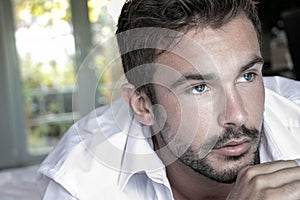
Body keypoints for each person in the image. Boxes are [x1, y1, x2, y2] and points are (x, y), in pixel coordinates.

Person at [37, 0, 300, 199]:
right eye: (199, 88)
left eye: (247, 76)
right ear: (143, 105)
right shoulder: (82, 181)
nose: (237, 115)